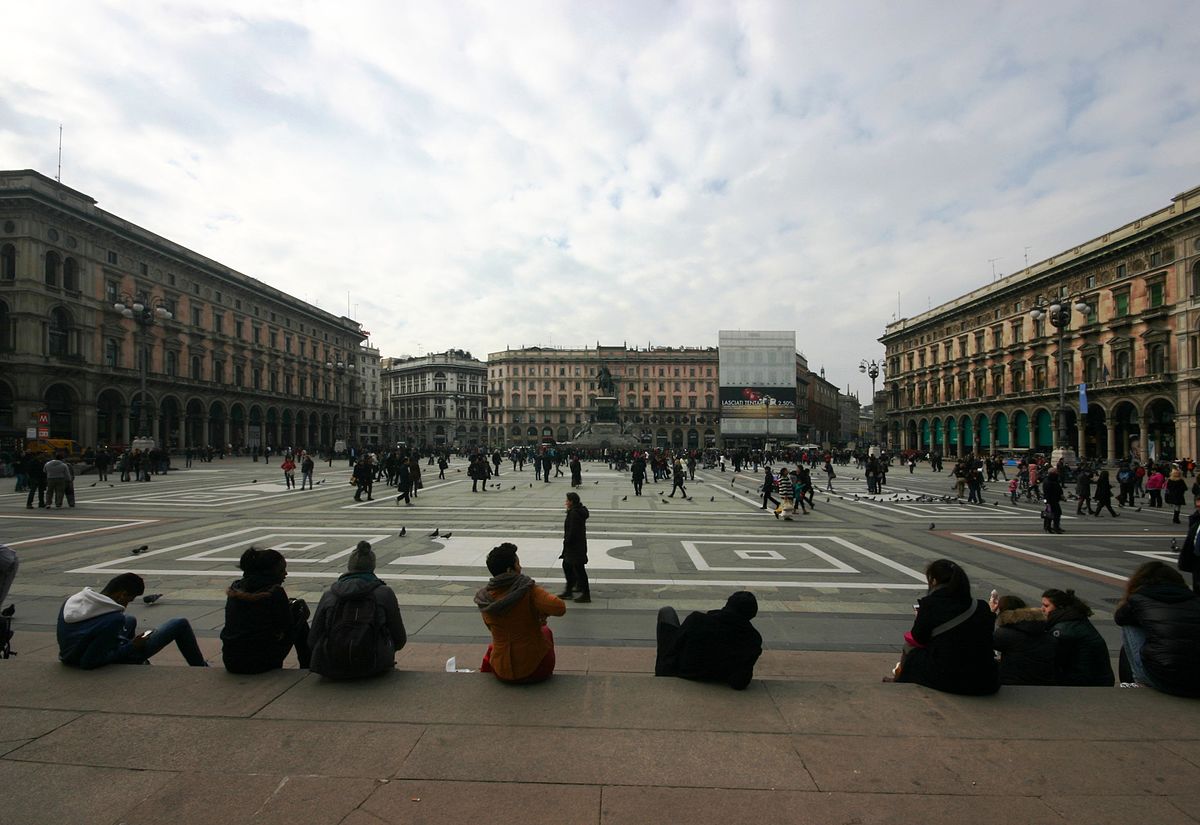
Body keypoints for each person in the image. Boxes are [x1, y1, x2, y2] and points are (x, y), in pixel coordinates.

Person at [889, 559, 999, 695]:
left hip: (949, 679)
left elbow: (918, 639)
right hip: (985, 681)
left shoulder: (930, 604)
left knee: (910, 648)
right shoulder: (981, 606)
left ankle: (899, 680)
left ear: (934, 581)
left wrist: (920, 619)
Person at [57, 573, 208, 668]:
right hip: (84, 659)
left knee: (129, 619)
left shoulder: (74, 600)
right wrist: (131, 646)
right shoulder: (113, 619)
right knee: (179, 624)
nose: (126, 604)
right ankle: (201, 668)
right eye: (129, 600)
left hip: (68, 655)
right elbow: (89, 661)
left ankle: (137, 659)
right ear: (121, 595)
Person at [307, 542, 407, 679]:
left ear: (349, 567)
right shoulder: (384, 593)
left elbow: (313, 638)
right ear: (372, 566)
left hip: (333, 664)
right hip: (374, 665)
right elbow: (400, 638)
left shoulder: (329, 595)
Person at [475, 542, 567, 684]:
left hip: (501, 671)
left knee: (497, 643)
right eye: (518, 563)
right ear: (510, 570)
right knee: (546, 631)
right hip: (535, 670)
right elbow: (559, 608)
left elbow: (491, 627)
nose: (521, 567)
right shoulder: (527, 590)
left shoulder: (484, 599)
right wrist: (538, 611)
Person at [1114, 561, 1200, 695]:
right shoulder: (1195, 600)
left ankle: (1138, 681)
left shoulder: (1138, 599)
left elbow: (1119, 618)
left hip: (1165, 680)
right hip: (1197, 682)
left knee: (1129, 624)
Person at [221, 547, 311, 673]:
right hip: (260, 662)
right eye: (281, 570)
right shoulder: (275, 592)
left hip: (231, 660)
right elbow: (286, 626)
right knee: (300, 618)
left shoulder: (236, 587)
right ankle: (307, 665)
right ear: (270, 573)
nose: (285, 574)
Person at [654, 591, 763, 690]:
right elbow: (740, 682)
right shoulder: (753, 639)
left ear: (727, 605)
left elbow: (674, 647)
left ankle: (661, 672)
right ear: (752, 614)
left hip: (683, 671)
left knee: (667, 612)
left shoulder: (697, 620)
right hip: (719, 677)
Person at [1041, 588, 1114, 686]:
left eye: (1046, 606)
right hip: (1098, 678)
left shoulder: (1063, 630)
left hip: (1083, 683)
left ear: (1059, 607)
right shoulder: (1075, 618)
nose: (1042, 609)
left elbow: (1054, 659)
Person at [991, 595, 1054, 685]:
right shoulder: (1040, 627)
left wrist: (991, 613)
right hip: (1043, 683)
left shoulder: (1005, 634)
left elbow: (982, 642)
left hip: (1014, 684)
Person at [559, 492, 591, 602]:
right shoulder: (577, 511)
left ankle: (584, 594)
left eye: (567, 500)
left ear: (572, 502)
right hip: (578, 545)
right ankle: (573, 589)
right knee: (570, 566)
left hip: (574, 546)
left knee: (578, 569)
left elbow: (572, 531)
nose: (566, 502)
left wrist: (567, 542)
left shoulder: (574, 514)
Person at [1042, 467, 1064, 533]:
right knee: (1056, 513)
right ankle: (1055, 527)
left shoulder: (1051, 479)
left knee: (1049, 513)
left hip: (1051, 500)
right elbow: (1049, 492)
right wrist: (1047, 502)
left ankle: (1047, 527)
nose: (1058, 473)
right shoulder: (1050, 481)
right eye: (1056, 472)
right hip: (1051, 500)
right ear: (1053, 473)